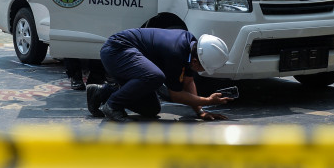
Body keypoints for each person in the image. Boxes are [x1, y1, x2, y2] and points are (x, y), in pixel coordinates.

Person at [86, 28, 232, 122]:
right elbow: (175, 94)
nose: (200, 71)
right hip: (116, 50)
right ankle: (112, 105)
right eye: (202, 68)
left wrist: (200, 111)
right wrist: (207, 101)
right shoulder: (176, 51)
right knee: (155, 77)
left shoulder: (192, 48)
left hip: (127, 56)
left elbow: (188, 82)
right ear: (195, 61)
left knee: (151, 109)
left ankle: (102, 92)